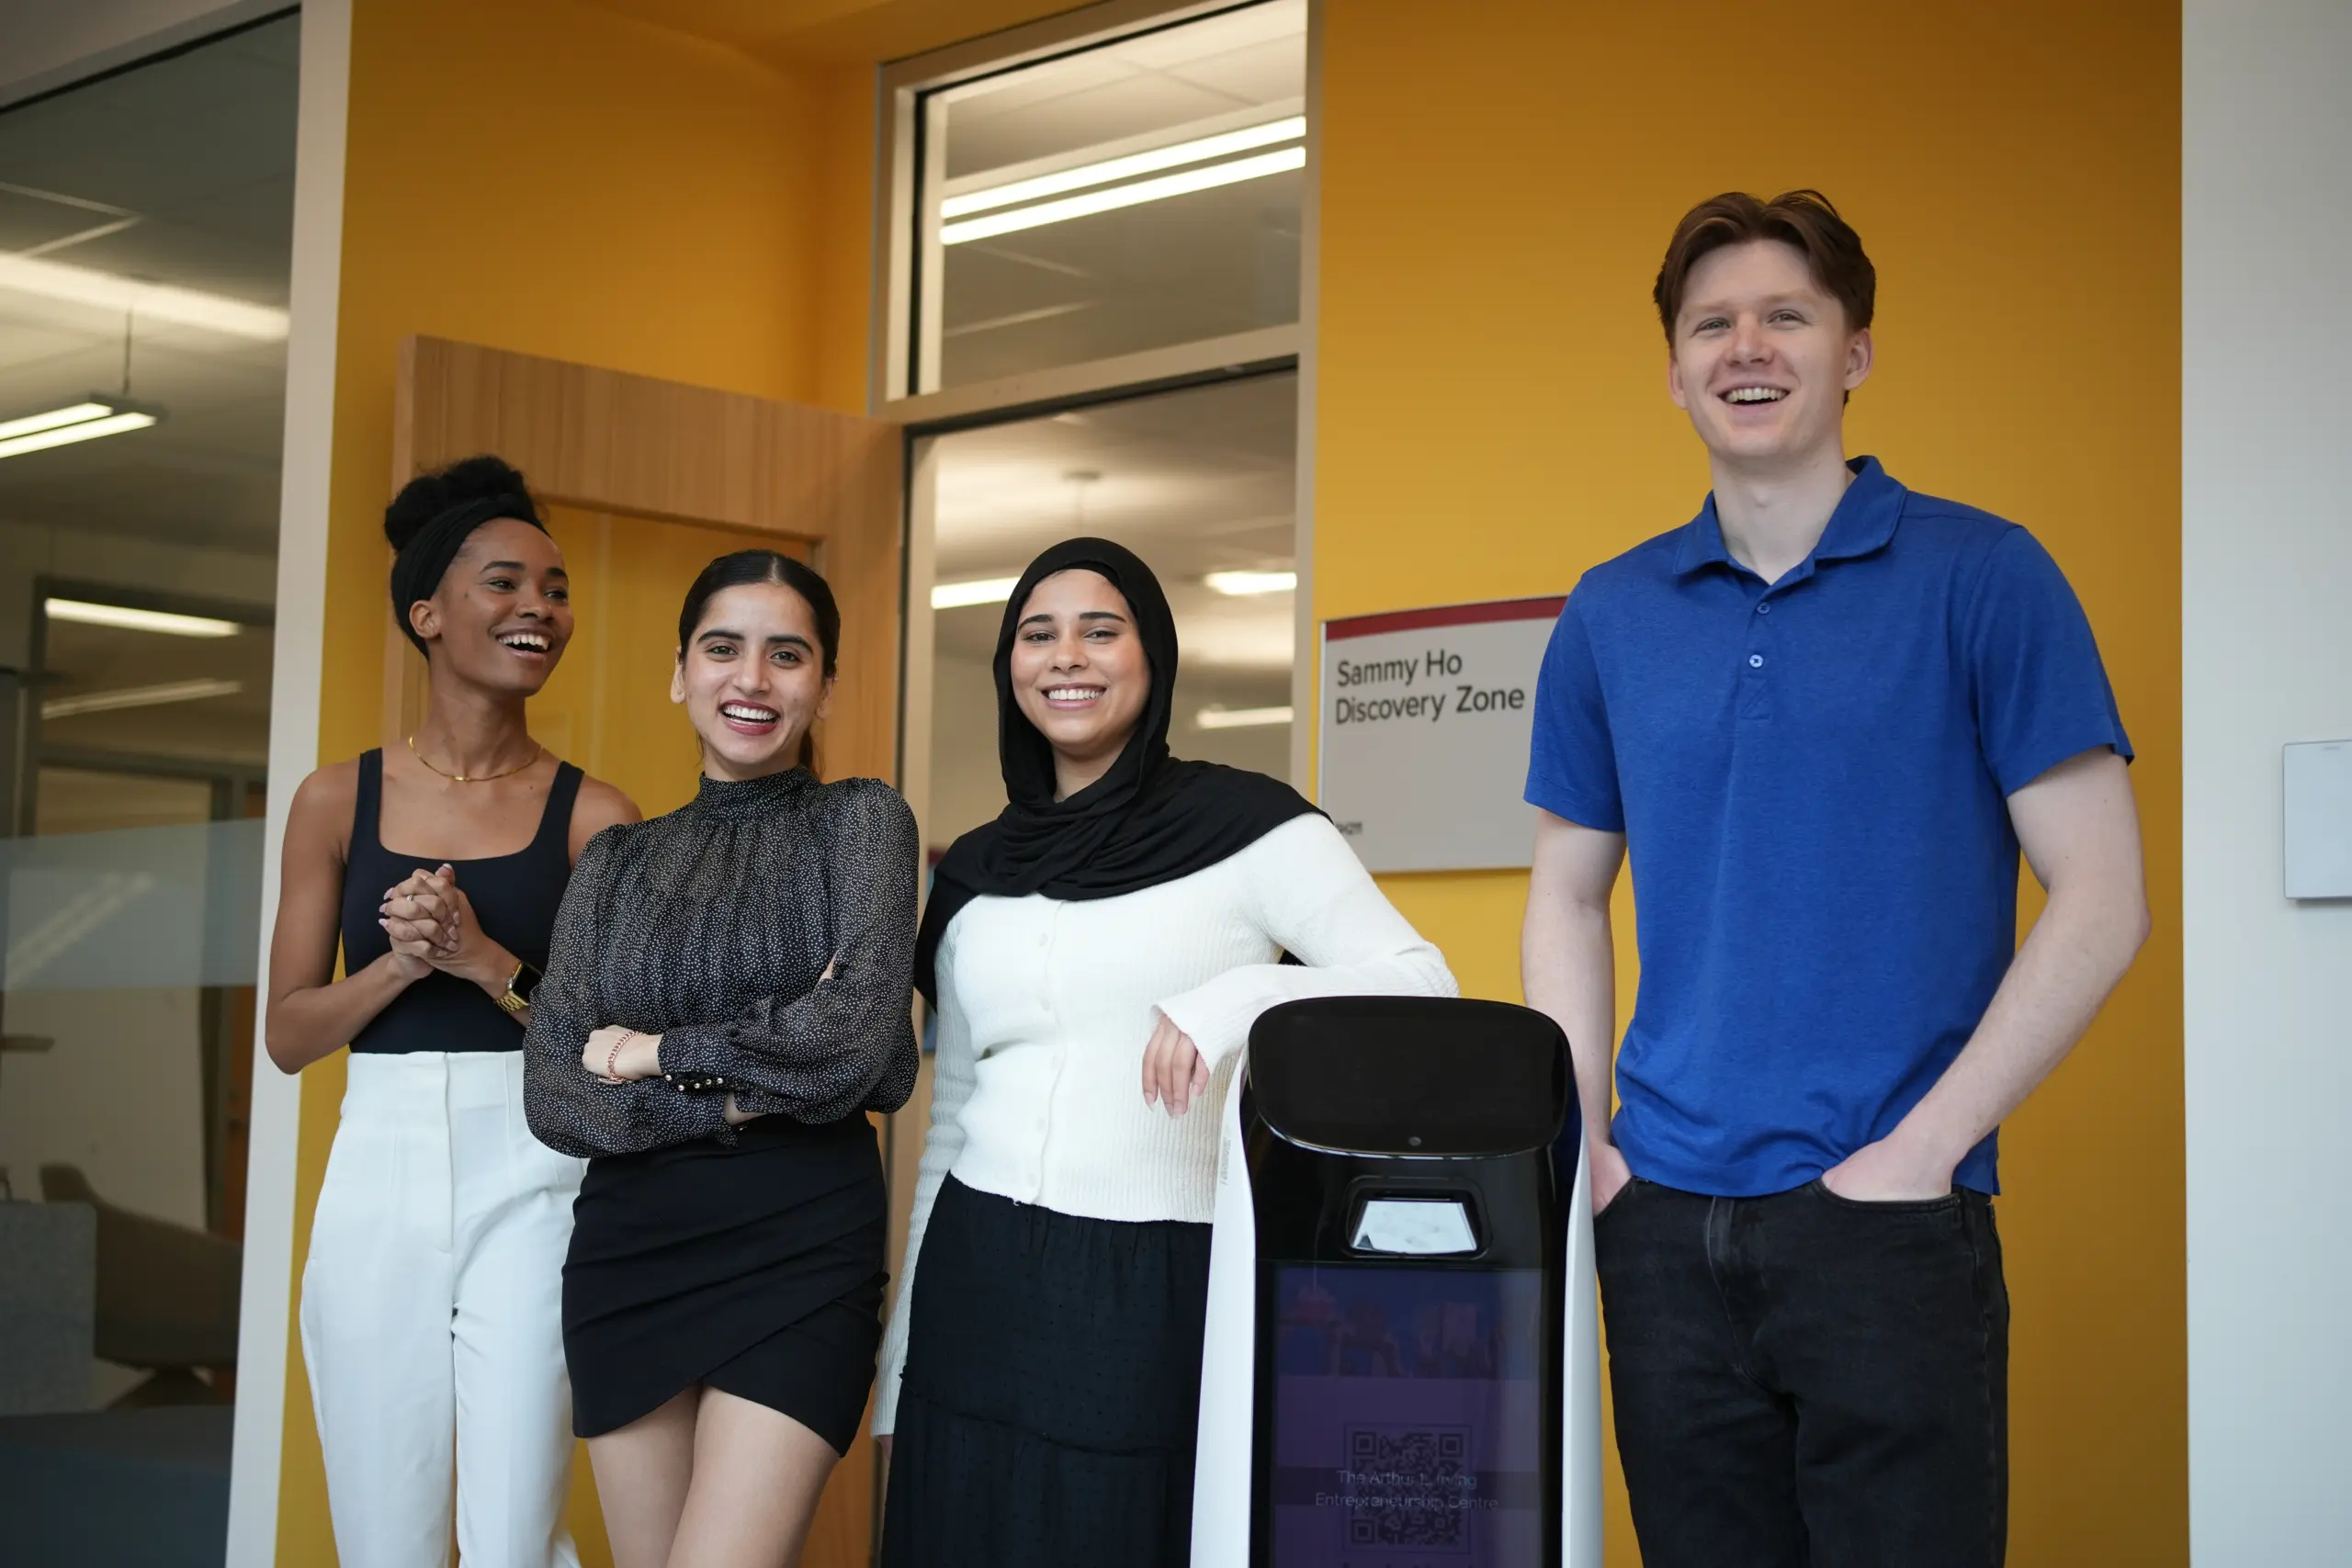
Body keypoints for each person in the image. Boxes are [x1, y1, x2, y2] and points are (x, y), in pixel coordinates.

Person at [1520, 189, 2149, 1568]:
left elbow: (2102, 895)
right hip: (1661, 1219)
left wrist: (1923, 1151)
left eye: (1786, 315)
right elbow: (1567, 893)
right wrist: (1591, 1150)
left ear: (1853, 353)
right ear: (1676, 369)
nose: (1748, 346)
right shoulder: (1611, 611)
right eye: (1713, 323)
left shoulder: (1986, 575)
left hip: (1887, 1224)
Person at [876, 537, 1457, 1568]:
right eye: (1037, 634)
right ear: (1009, 667)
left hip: (1152, 1280)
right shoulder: (973, 869)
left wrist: (1240, 996)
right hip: (978, 1273)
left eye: (1102, 631)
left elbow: (1421, 984)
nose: (1068, 657)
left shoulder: (1249, 827)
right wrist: (903, 1350)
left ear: (1155, 656)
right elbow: (953, 1114)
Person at [266, 455, 639, 1568]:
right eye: (506, 582)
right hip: (375, 1171)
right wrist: (399, 963)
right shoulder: (338, 798)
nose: (540, 608)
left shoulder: (597, 817)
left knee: (515, 1530)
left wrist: (484, 961)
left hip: (536, 1171)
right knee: (383, 1534)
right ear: (427, 613)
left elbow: (610, 1052)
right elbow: (288, 1035)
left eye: (557, 589)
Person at [522, 548, 918, 1568]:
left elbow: (860, 1051)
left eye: (787, 655)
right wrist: (741, 1100)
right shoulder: (614, 862)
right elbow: (555, 1093)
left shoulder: (860, 823)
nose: (751, 679)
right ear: (680, 673)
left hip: (800, 1248)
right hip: (628, 1255)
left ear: (823, 684)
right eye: (722, 648)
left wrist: (652, 1053)